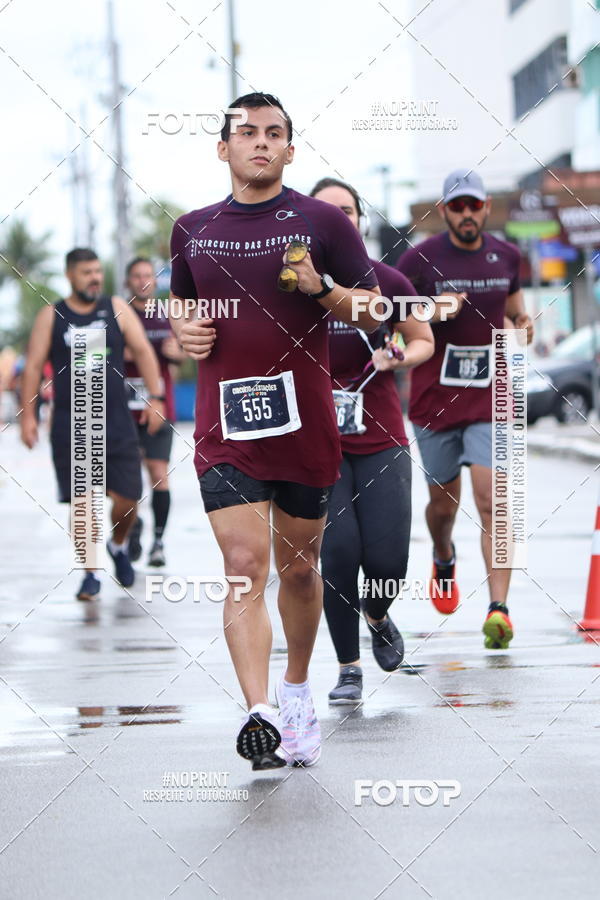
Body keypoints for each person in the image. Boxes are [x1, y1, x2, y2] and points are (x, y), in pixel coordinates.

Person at [168, 93, 382, 769]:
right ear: (222, 148)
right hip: (225, 425)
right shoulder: (192, 229)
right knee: (241, 567)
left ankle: (295, 690)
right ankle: (258, 709)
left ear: (290, 149)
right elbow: (181, 301)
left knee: (297, 568)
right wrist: (181, 326)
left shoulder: (321, 221)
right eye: (246, 133)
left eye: (273, 134)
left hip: (304, 424)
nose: (259, 142)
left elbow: (376, 309)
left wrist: (320, 288)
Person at [396, 169, 533, 649]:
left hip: (491, 397)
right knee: (443, 503)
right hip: (434, 400)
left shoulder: (508, 255)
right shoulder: (419, 260)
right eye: (458, 207)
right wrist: (433, 311)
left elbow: (513, 306)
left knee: (492, 500)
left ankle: (499, 609)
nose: (467, 214)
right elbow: (394, 318)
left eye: (474, 205)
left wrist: (521, 320)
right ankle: (443, 552)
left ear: (486, 208)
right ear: (444, 212)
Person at [310, 177, 434, 703]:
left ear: (359, 221)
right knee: (337, 554)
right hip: (319, 445)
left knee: (387, 561)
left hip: (382, 438)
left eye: (348, 211)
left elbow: (424, 340)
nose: (340, 220)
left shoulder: (389, 282)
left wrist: (400, 354)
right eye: (327, 212)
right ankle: (348, 668)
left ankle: (378, 613)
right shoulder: (296, 292)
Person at [20, 248, 165, 600]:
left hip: (116, 421)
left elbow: (144, 351)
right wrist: (28, 416)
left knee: (128, 501)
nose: (95, 278)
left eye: (98, 271)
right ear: (69, 275)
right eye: (87, 272)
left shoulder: (116, 308)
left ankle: (117, 545)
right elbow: (34, 365)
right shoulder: (52, 315)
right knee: (83, 503)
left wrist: (157, 398)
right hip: (73, 423)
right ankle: (90, 572)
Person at [124, 257, 185, 567]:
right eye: (137, 276)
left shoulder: (166, 315)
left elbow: (180, 355)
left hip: (162, 408)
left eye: (148, 275)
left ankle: (158, 542)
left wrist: (178, 353)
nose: (143, 281)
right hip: (124, 413)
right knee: (127, 480)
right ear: (128, 282)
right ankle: (133, 529)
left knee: (159, 475)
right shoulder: (118, 316)